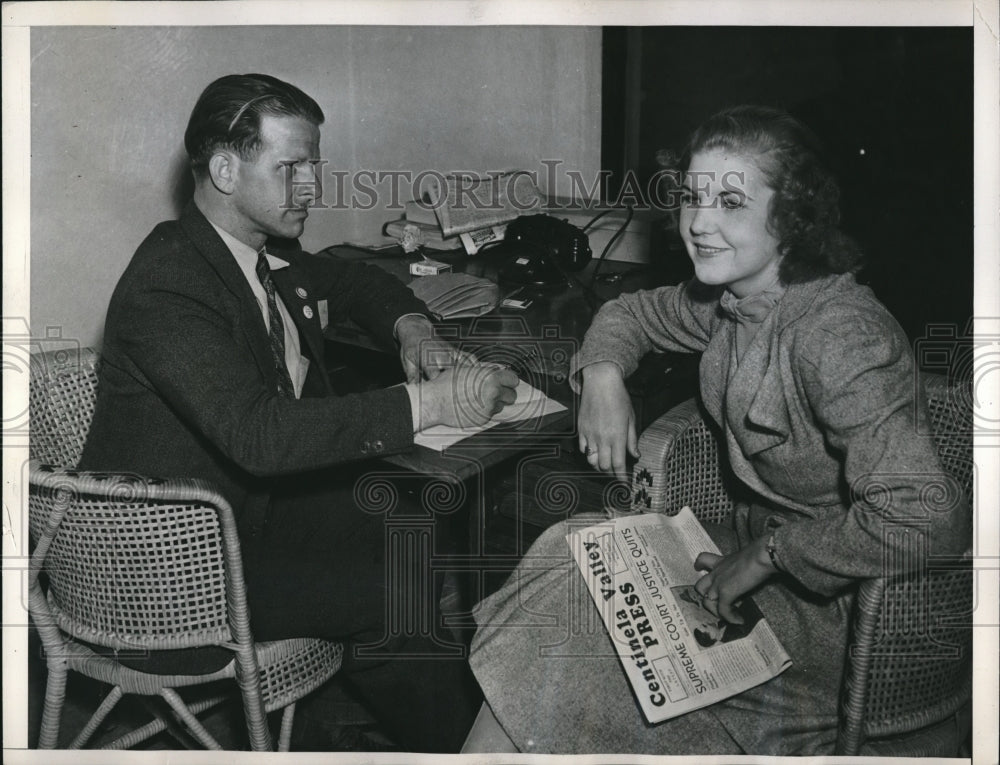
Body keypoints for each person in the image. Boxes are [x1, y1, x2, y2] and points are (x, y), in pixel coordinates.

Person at [463, 105, 969, 754]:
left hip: (850, 609)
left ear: (792, 217)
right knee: (571, 560)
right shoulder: (736, 297)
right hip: (747, 558)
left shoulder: (840, 334)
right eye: (692, 197)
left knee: (585, 645)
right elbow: (632, 313)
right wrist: (603, 375)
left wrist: (767, 556)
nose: (699, 222)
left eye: (730, 201)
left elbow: (929, 518)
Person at [79, 73, 519, 752]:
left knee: (414, 514)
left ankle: (460, 707)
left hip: (241, 519)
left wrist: (414, 329)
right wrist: (431, 401)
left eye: (314, 166)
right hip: (168, 574)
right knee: (395, 578)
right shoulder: (169, 277)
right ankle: (468, 743)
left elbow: (354, 279)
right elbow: (264, 436)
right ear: (226, 169)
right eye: (291, 168)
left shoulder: (260, 256)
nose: (312, 187)